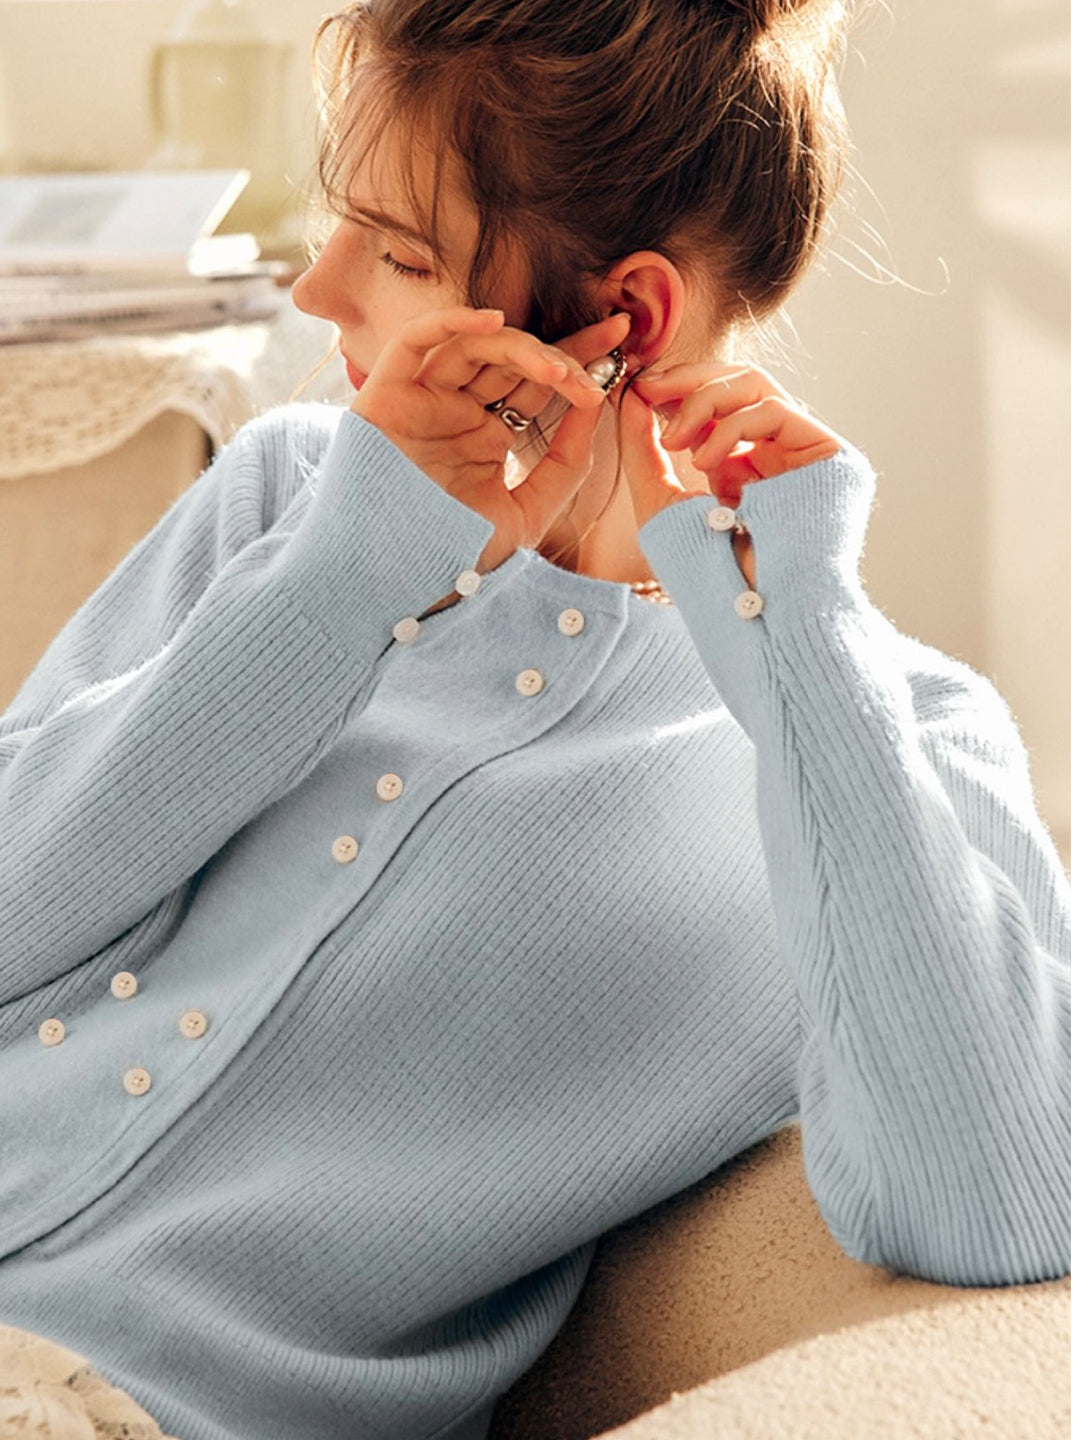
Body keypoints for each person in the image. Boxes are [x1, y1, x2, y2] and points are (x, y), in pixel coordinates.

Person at [0, 1, 1069, 1438]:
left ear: (625, 320)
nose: (317, 292)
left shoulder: (884, 731)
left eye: (396, 251)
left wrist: (805, 646)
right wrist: (340, 582)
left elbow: (997, 1212)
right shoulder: (291, 501)